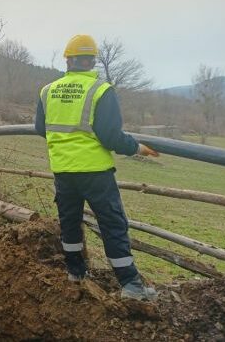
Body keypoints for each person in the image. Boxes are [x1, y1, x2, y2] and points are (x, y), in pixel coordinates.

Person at [35, 34, 159, 301]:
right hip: (95, 173)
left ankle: (76, 273)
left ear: (67, 60)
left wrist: (65, 146)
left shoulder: (47, 91)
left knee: (69, 223)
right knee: (112, 224)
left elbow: (39, 128)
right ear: (92, 61)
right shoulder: (101, 91)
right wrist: (138, 148)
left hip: (63, 171)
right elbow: (111, 136)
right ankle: (131, 285)